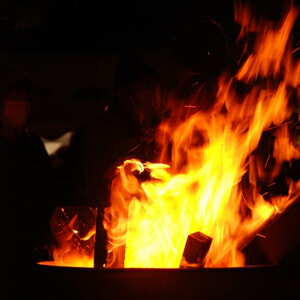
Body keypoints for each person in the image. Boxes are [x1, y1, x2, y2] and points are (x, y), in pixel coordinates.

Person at [0, 64, 56, 269]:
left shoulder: (32, 144)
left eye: (24, 99)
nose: (20, 104)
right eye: (14, 97)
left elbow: (47, 190)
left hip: (32, 249)